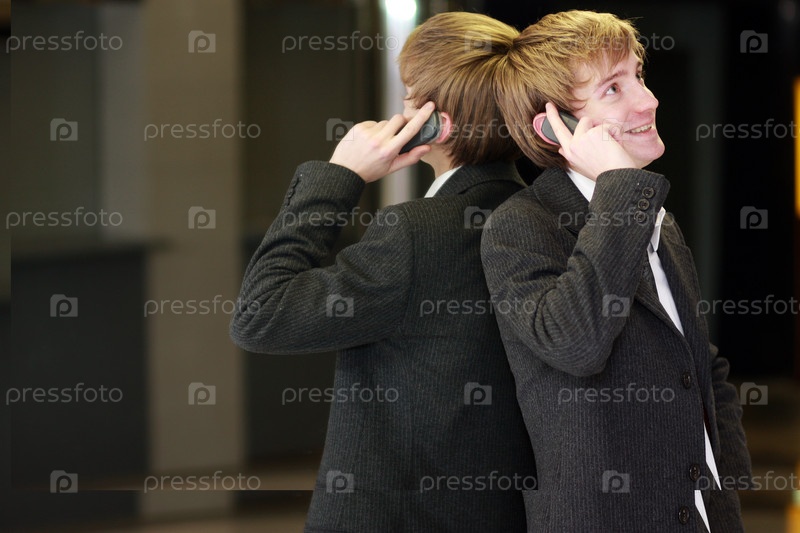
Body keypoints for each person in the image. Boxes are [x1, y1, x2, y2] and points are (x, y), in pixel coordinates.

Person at [230, 12, 536, 532]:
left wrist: (340, 175)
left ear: (436, 122)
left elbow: (260, 316)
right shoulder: (546, 217)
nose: (401, 110)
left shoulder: (416, 232)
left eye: (410, 96)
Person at [482, 10, 751, 532]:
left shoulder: (656, 218)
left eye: (639, 77)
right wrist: (620, 192)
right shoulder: (520, 225)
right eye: (612, 89)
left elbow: (699, 361)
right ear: (554, 127)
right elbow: (577, 345)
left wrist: (725, 489)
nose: (648, 100)